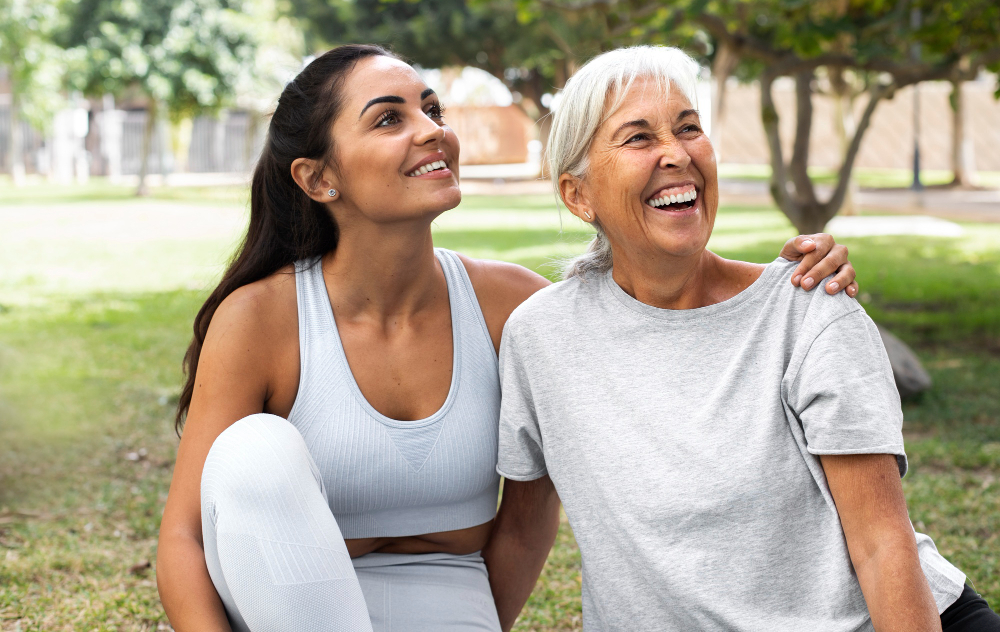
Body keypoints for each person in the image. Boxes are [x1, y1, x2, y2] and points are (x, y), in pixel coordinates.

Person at [155, 44, 859, 631]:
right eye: (390, 118)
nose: (432, 130)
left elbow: (659, 315)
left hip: (456, 610)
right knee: (253, 452)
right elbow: (184, 539)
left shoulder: (516, 309)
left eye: (432, 109)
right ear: (318, 178)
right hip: (289, 613)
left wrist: (786, 283)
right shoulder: (261, 317)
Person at [496, 45, 1000, 632]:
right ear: (577, 195)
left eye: (689, 128)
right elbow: (522, 528)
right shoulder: (541, 337)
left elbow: (882, 544)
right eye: (638, 138)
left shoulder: (809, 308)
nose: (677, 153)